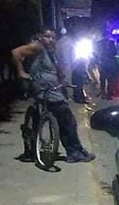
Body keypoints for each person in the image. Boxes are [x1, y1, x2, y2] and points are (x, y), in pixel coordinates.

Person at [11, 29, 96, 163]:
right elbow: (16, 52)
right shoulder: (37, 47)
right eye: (47, 37)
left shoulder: (50, 53)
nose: (51, 40)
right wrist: (21, 72)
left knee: (61, 120)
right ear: (40, 37)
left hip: (51, 90)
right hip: (46, 91)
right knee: (68, 120)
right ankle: (74, 151)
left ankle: (75, 150)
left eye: (53, 38)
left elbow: (56, 71)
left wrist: (63, 84)